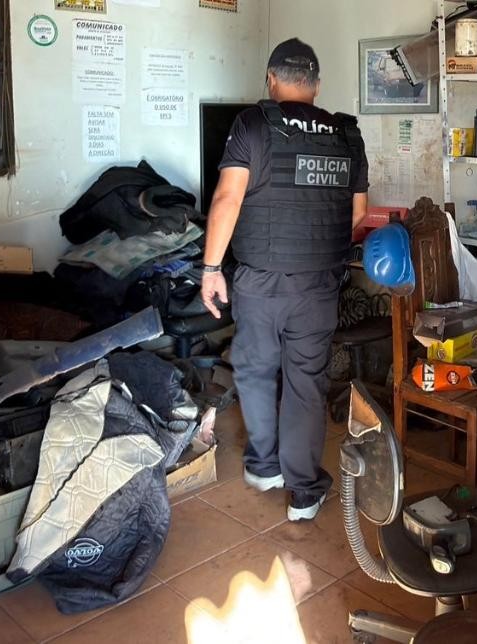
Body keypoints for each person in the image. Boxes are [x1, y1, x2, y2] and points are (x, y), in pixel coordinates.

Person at [200, 38, 369, 521]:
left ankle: (264, 465)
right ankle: (303, 493)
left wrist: (211, 269)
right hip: (318, 285)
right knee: (305, 383)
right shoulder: (347, 134)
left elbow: (227, 200)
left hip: (259, 281)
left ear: (271, 80)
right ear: (317, 85)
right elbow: (359, 213)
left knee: (254, 369)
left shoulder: (253, 124)